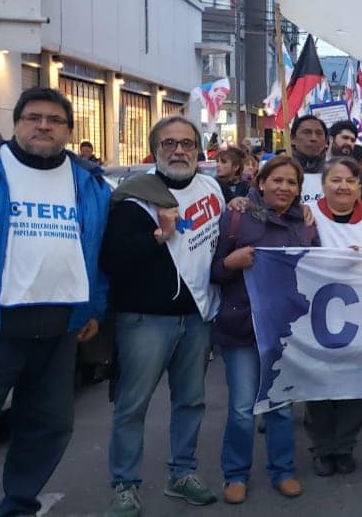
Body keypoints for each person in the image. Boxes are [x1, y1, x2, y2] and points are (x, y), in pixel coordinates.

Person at [0, 87, 111, 517]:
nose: (43, 125)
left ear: (68, 130)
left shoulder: (89, 182)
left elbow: (101, 253)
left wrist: (94, 307)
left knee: (48, 429)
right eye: (33, 117)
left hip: (60, 331)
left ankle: (19, 507)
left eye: (55, 120)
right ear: (16, 123)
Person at [99, 116, 225, 516]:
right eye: (169, 143)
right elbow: (112, 259)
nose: (178, 150)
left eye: (187, 143)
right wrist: (158, 236)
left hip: (197, 317)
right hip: (145, 320)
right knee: (132, 406)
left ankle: (182, 474)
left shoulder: (213, 190)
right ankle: (124, 485)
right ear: (155, 150)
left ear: (198, 150)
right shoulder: (133, 198)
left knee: (191, 402)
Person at [210, 155, 319, 504]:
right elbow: (214, 270)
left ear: (299, 189)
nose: (284, 188)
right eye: (277, 180)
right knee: (242, 408)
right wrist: (231, 262)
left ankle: (283, 470)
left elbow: (317, 270)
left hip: (284, 329)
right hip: (241, 327)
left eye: (291, 182)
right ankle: (235, 474)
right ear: (260, 182)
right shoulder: (236, 217)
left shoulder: (305, 225)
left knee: (280, 405)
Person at [302, 158, 362, 478]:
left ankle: (344, 446)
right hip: (317, 317)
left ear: (359, 186)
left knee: (357, 385)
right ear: (323, 185)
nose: (343, 187)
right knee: (319, 385)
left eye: (350, 181)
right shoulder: (306, 215)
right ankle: (322, 448)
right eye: (335, 180)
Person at [290, 115, 362, 206]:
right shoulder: (283, 169)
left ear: (326, 141)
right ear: (292, 138)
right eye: (306, 132)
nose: (313, 138)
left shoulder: (348, 172)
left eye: (319, 133)